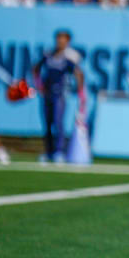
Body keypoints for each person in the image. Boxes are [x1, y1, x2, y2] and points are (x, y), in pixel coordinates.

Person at [33, 29, 84, 163]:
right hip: (47, 94)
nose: (60, 42)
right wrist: (39, 85)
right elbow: (36, 69)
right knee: (47, 123)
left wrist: (80, 91)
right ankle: (48, 151)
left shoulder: (68, 58)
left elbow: (78, 73)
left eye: (63, 40)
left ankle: (59, 151)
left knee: (58, 122)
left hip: (60, 94)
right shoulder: (49, 55)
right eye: (58, 39)